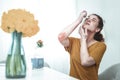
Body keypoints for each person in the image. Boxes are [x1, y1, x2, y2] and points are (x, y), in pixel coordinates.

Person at [58, 10, 107, 80]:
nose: (89, 20)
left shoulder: (101, 46)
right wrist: (79, 20)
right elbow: (61, 37)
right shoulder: (74, 42)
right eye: (87, 18)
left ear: (97, 29)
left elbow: (85, 62)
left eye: (93, 20)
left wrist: (83, 39)